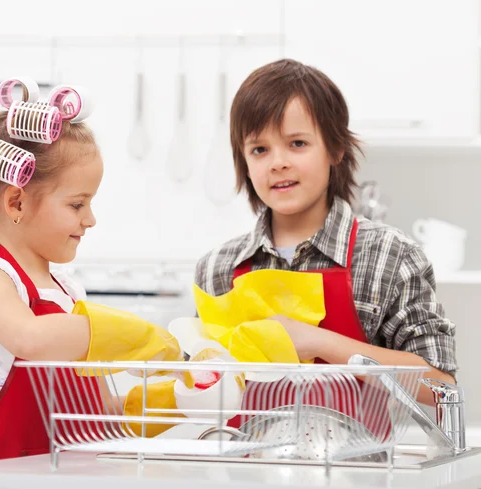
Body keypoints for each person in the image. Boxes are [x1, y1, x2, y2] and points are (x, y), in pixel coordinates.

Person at [0, 79, 183, 462]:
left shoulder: (68, 294)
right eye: (78, 205)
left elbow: (98, 412)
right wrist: (134, 333)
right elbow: (30, 339)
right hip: (9, 480)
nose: (91, 219)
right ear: (17, 203)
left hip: (74, 476)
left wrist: (177, 399)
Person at [194, 59, 457, 407]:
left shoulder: (389, 256)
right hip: (244, 462)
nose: (278, 162)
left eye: (297, 143)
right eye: (260, 149)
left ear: (335, 148)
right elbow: (202, 393)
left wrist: (318, 342)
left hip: (358, 462)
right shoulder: (217, 269)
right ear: (243, 161)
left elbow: (441, 388)